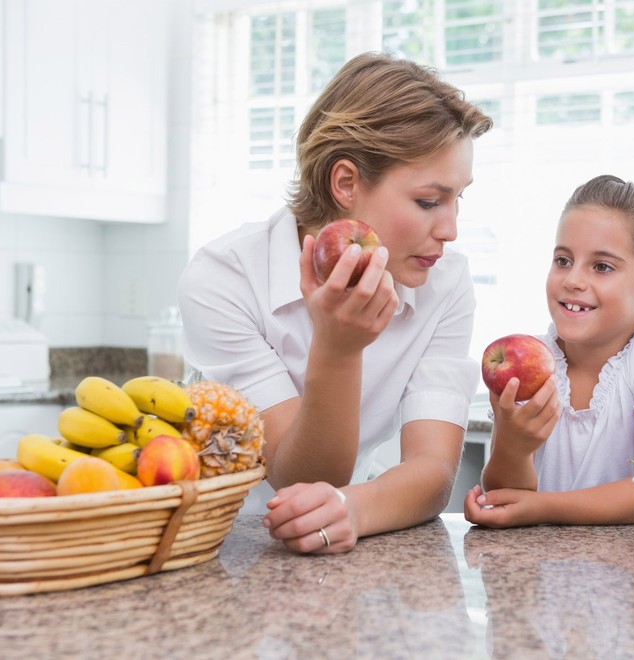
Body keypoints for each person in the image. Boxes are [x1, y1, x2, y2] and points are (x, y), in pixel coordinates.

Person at [178, 52, 493, 553]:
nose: (450, 230)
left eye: (459, 199)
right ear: (345, 183)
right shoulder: (225, 278)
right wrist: (339, 350)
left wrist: (355, 507)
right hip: (222, 546)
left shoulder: (445, 283)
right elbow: (295, 476)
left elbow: (432, 470)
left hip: (344, 541)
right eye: (429, 202)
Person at [464, 174, 634, 528]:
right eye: (563, 260)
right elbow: (506, 496)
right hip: (545, 573)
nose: (572, 279)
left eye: (602, 267)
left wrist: (543, 507)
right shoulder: (529, 361)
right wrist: (513, 449)